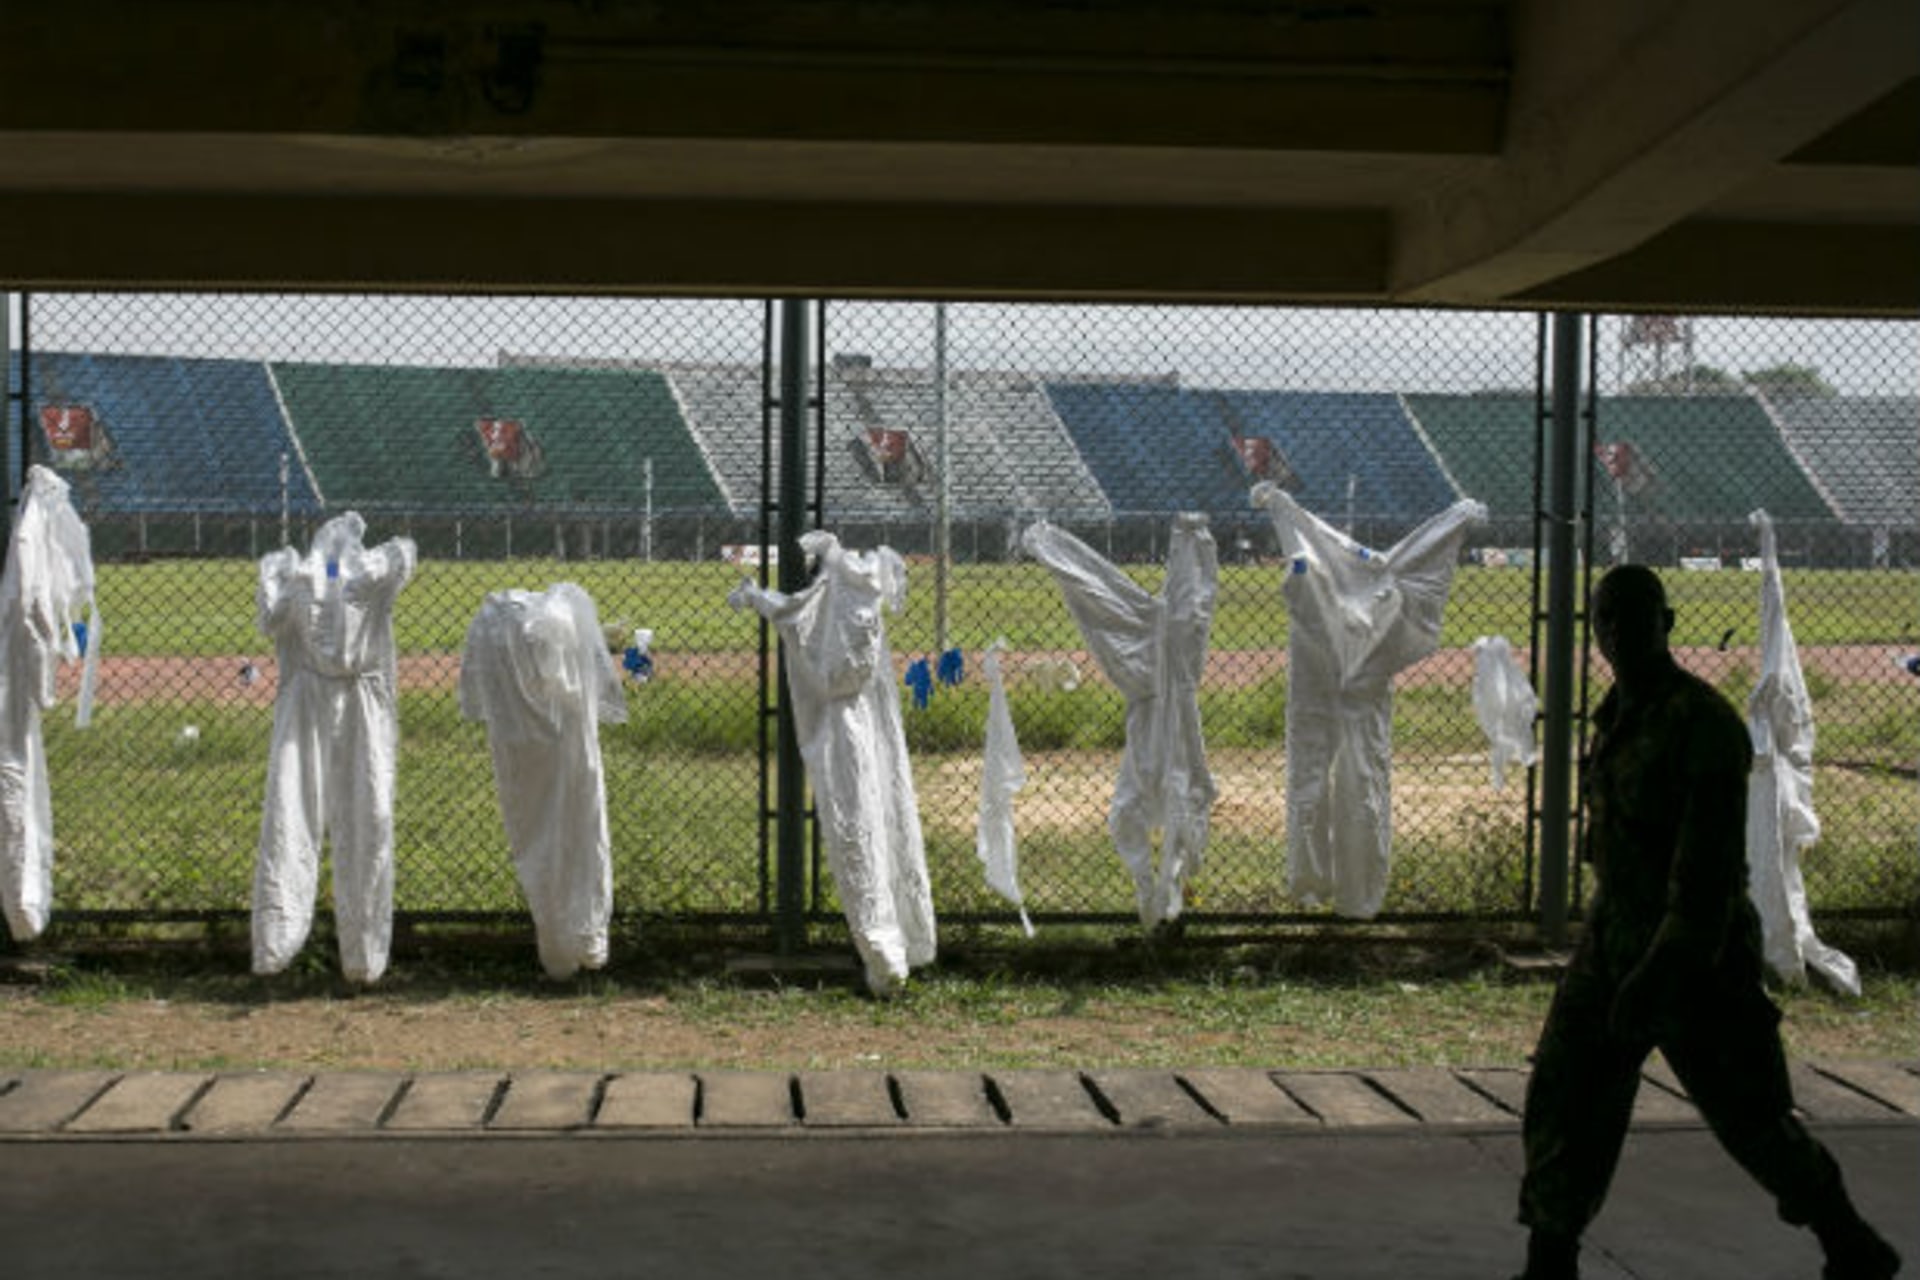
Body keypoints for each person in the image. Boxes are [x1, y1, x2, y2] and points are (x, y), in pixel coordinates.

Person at [1510, 564, 1900, 1280]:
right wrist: (1614, 960)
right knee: (1565, 1097)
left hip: (1698, 953)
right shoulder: (1616, 716)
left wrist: (1657, 974)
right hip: (1616, 938)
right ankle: (1549, 1262)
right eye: (1608, 620)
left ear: (1669, 622)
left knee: (1752, 1122)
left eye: (1636, 616)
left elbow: (1704, 881)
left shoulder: (1704, 726)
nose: (1621, 633)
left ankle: (1850, 1240)